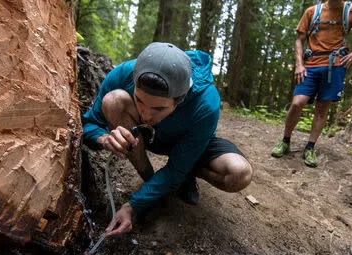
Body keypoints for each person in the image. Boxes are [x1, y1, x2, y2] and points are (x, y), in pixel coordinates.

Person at [82, 42, 253, 236]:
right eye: (139, 100)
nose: (145, 114)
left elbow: (175, 170)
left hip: (188, 143)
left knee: (239, 173)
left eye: (159, 108)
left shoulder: (206, 101)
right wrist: (104, 138)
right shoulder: (125, 73)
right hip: (147, 136)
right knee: (113, 100)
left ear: (180, 99)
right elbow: (87, 125)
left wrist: (132, 206)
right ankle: (149, 178)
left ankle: (188, 171)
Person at [271, 0, 352, 167]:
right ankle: (285, 140)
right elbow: (299, 40)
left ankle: (310, 147)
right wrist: (299, 64)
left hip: (335, 65)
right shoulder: (312, 11)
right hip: (310, 64)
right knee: (297, 103)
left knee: (322, 108)